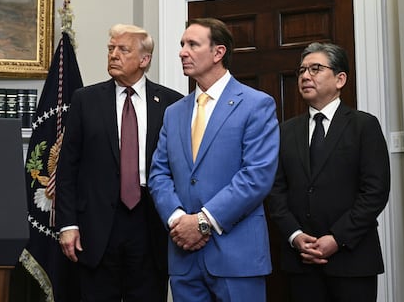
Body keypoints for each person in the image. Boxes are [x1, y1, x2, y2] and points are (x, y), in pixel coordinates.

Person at [148, 18, 279, 302]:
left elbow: (256, 176)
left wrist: (203, 222)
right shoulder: (174, 112)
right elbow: (158, 174)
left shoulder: (257, 104)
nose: (183, 51)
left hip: (237, 258)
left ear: (218, 53)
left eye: (192, 44)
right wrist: (178, 219)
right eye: (182, 45)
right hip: (183, 257)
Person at [55, 24, 183, 302]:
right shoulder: (85, 100)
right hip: (97, 225)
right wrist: (68, 224)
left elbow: (180, 169)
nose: (113, 55)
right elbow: (67, 168)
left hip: (150, 224)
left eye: (123, 49)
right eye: (110, 48)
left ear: (144, 60)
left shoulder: (172, 103)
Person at [267, 42, 390, 302]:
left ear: (340, 79)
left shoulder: (363, 126)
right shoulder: (285, 131)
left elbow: (375, 192)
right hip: (301, 261)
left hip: (352, 259)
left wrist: (336, 238)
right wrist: (295, 235)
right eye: (301, 71)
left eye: (315, 69)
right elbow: (275, 191)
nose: (305, 76)